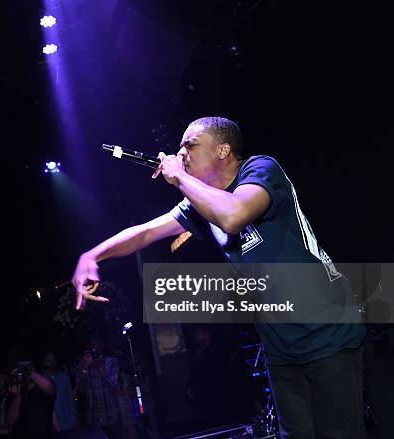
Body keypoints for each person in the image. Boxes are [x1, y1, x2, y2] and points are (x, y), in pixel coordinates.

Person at [72, 116, 366, 438]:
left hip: (327, 331)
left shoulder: (260, 169)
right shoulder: (201, 203)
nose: (180, 153)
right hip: (281, 347)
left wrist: (179, 178)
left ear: (224, 150)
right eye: (180, 147)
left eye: (190, 144)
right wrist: (92, 255)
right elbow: (145, 233)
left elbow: (234, 215)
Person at [74, 340, 121, 439]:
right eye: (92, 346)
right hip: (93, 416)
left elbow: (114, 385)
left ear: (102, 346)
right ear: (88, 348)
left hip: (111, 414)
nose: (94, 348)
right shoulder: (82, 365)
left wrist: (100, 369)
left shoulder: (111, 361)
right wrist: (85, 367)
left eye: (97, 345)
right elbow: (81, 387)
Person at [7, 360, 56, 438]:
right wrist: (17, 396)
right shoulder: (15, 391)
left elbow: (50, 388)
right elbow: (10, 421)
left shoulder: (42, 388)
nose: (23, 372)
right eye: (21, 369)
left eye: (26, 367)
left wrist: (29, 371)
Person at [42, 352, 77, 432]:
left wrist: (75, 417)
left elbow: (70, 399)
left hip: (68, 421)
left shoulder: (64, 377)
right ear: (43, 363)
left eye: (53, 360)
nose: (52, 362)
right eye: (48, 360)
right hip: (51, 425)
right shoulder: (41, 380)